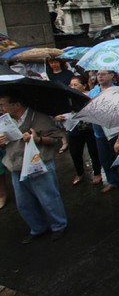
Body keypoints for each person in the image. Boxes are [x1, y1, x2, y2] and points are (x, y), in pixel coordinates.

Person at [0, 93, 68, 243]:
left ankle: (58, 225)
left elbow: (56, 140)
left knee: (48, 198)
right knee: (24, 202)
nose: (1, 108)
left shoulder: (40, 118)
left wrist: (38, 139)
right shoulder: (5, 121)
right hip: (16, 164)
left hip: (39, 163)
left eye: (3, 105)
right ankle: (37, 227)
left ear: (16, 105)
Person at [55, 76, 102, 186]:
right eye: (71, 85)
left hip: (90, 128)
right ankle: (80, 173)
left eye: (76, 85)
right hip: (73, 129)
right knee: (75, 153)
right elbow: (59, 111)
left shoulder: (90, 95)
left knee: (93, 152)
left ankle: (97, 173)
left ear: (84, 85)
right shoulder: (67, 97)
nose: (73, 87)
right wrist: (57, 117)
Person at [89, 70, 119, 193]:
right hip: (99, 130)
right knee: (105, 158)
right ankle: (113, 181)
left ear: (111, 75)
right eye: (98, 74)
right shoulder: (93, 92)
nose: (100, 77)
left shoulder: (118, 90)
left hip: (116, 130)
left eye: (103, 74)